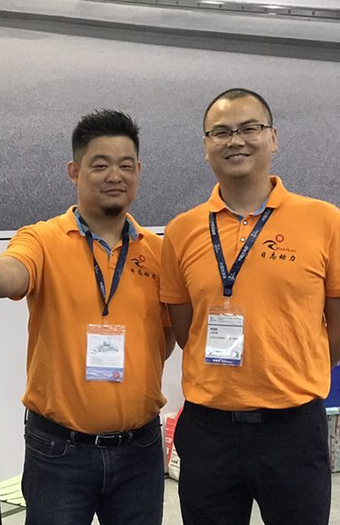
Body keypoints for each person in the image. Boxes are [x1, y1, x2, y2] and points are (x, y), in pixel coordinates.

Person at [0, 109, 175, 525]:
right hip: (59, 452)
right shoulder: (42, 239)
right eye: (100, 165)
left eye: (125, 165)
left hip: (140, 451)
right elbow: (14, 271)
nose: (115, 175)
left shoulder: (158, 251)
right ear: (74, 172)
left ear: (138, 172)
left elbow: (164, 337)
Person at [161, 87, 340, 525]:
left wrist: (295, 365)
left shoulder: (325, 221)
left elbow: (338, 326)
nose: (235, 140)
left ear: (273, 138)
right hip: (209, 431)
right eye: (221, 132)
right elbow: (186, 330)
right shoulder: (182, 231)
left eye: (249, 128)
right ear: (206, 146)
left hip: (293, 430)